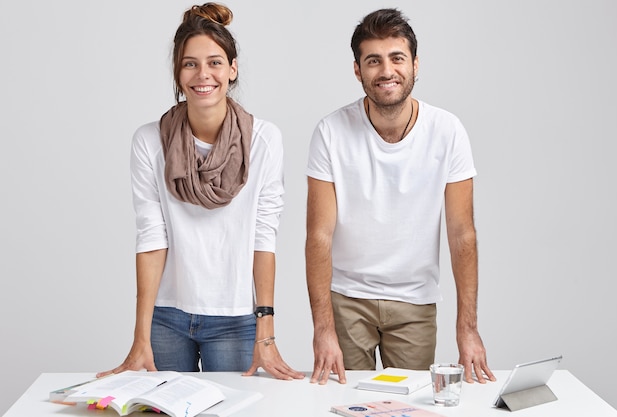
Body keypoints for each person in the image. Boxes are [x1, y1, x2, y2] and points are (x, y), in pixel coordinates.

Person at [98, 2, 303, 381]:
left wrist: (266, 332)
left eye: (214, 62)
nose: (203, 74)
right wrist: (140, 336)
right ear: (178, 73)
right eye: (190, 63)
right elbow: (151, 235)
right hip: (166, 318)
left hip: (235, 318)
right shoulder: (149, 141)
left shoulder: (263, 140)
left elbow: (263, 237)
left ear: (232, 68)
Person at [305, 8, 495, 385]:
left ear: (415, 64)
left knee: (409, 403)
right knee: (344, 403)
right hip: (347, 299)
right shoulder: (330, 131)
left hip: (415, 303)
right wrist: (323, 328)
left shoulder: (447, 131)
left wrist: (468, 327)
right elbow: (318, 237)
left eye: (397, 58)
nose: (386, 70)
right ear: (358, 70)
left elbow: (462, 235)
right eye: (373, 60)